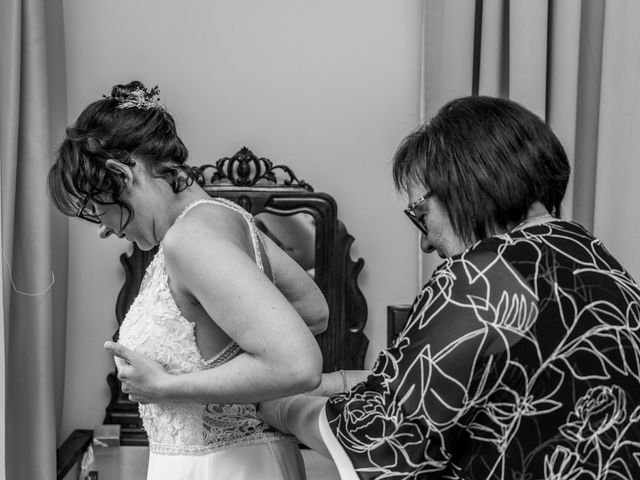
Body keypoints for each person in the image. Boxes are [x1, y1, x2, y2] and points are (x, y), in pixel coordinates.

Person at [258, 95, 640, 479]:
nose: (425, 242)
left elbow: (381, 438)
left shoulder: (483, 276)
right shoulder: (596, 260)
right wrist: (329, 384)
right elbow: (481, 385)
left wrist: (278, 408)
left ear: (465, 183)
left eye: (421, 214)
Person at [48, 81, 329, 480]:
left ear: (121, 174)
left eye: (97, 208)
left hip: (223, 467)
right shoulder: (225, 216)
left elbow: (299, 365)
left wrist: (164, 387)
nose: (103, 230)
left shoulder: (190, 240)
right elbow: (313, 311)